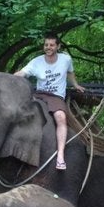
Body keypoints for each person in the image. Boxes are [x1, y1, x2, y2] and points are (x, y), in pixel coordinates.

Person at [14, 32, 85, 170]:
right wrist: (9, 78)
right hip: (39, 94)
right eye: (46, 45)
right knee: (20, 113)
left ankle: (60, 156)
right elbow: (23, 73)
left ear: (58, 46)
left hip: (56, 96)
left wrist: (75, 85)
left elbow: (70, 72)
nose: (48, 47)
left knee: (61, 117)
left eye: (52, 45)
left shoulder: (66, 59)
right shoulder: (36, 61)